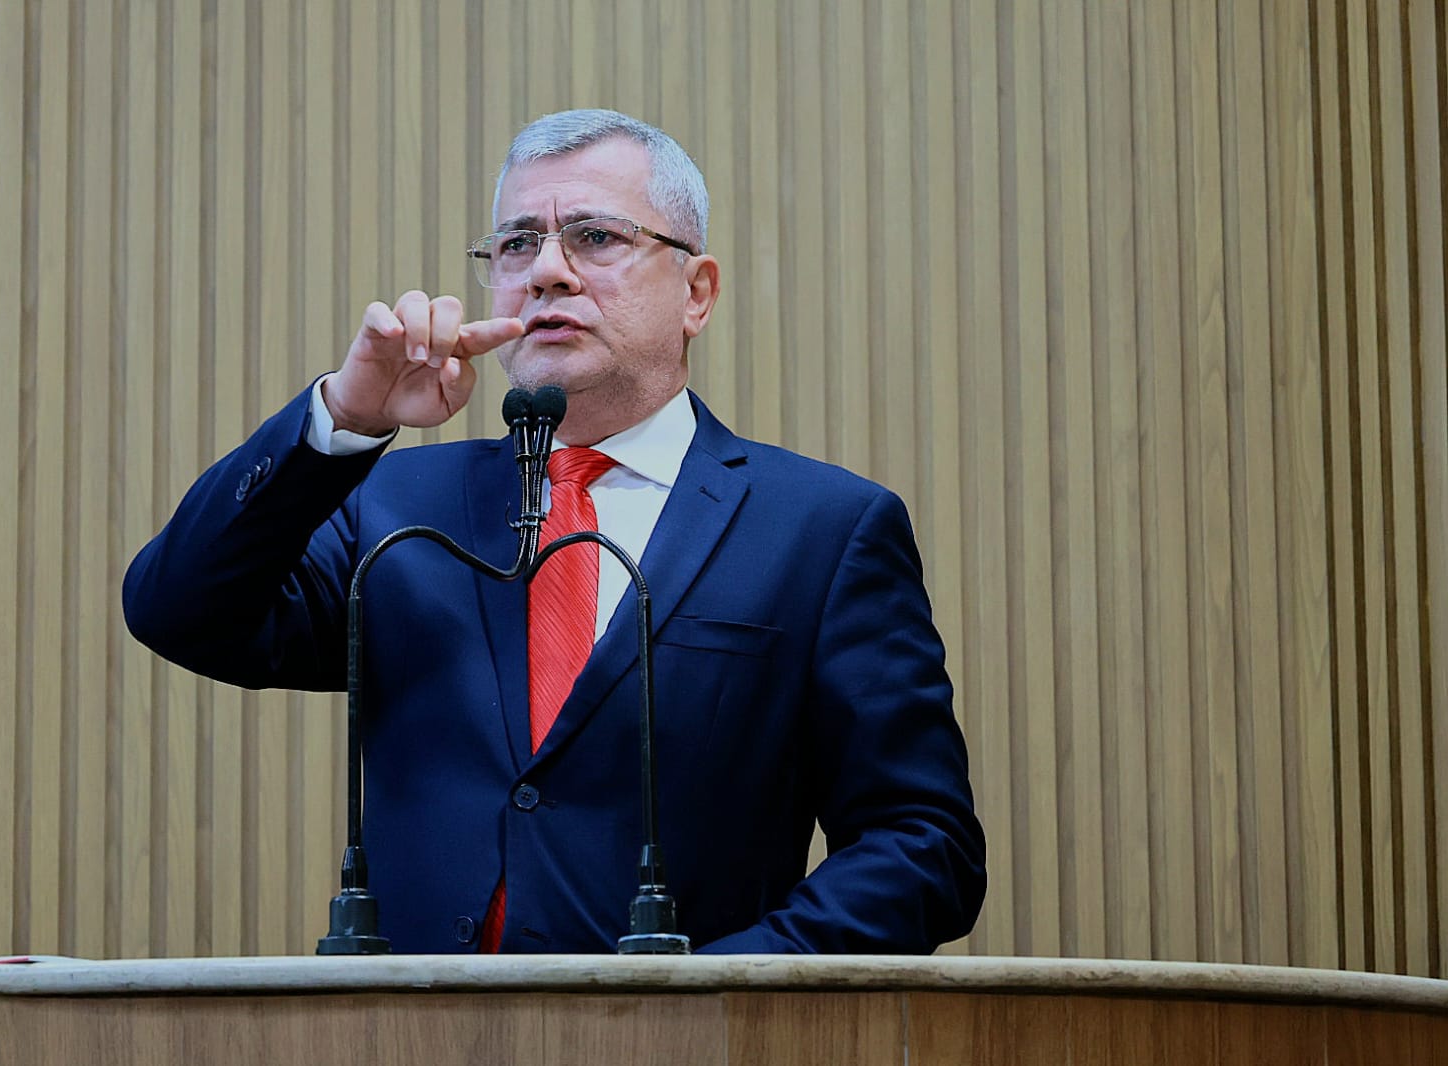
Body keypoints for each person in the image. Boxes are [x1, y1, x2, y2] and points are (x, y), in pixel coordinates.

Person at [124, 109, 984, 954]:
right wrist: (343, 418)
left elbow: (921, 845)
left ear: (695, 292)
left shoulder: (821, 530)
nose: (545, 272)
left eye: (595, 237)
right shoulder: (393, 506)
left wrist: (721, 992)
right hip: (415, 1023)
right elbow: (180, 612)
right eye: (515, 244)